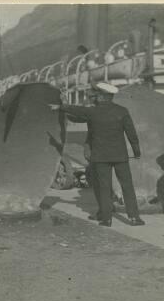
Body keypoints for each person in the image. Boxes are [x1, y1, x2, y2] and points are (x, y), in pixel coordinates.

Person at [52, 82, 144, 227]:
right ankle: (134, 218)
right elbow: (132, 134)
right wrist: (136, 151)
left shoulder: (93, 112)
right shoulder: (122, 111)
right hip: (120, 156)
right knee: (127, 186)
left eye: (96, 95)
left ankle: (106, 219)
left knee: (104, 187)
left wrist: (61, 106)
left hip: (101, 157)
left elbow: (78, 112)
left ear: (101, 97)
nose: (94, 98)